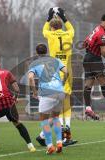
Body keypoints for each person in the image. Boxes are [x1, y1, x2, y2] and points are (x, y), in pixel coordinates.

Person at [36, 7, 77, 147]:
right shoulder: (68, 34)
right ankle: (65, 135)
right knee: (65, 103)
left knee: (56, 105)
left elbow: (44, 30)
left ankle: (45, 135)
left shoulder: (50, 35)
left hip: (53, 72)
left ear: (52, 28)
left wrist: (48, 17)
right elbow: (71, 28)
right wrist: (64, 17)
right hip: (66, 70)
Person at [0, 55, 36, 152]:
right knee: (17, 123)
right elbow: (17, 89)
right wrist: (15, 98)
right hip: (9, 103)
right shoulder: (6, 73)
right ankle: (31, 146)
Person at [28, 44, 69, 154]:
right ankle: (59, 142)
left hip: (47, 93)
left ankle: (50, 146)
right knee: (56, 117)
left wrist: (34, 91)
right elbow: (66, 72)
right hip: (60, 92)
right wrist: (63, 83)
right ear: (47, 51)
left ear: (37, 53)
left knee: (44, 120)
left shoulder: (34, 63)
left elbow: (30, 77)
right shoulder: (55, 60)